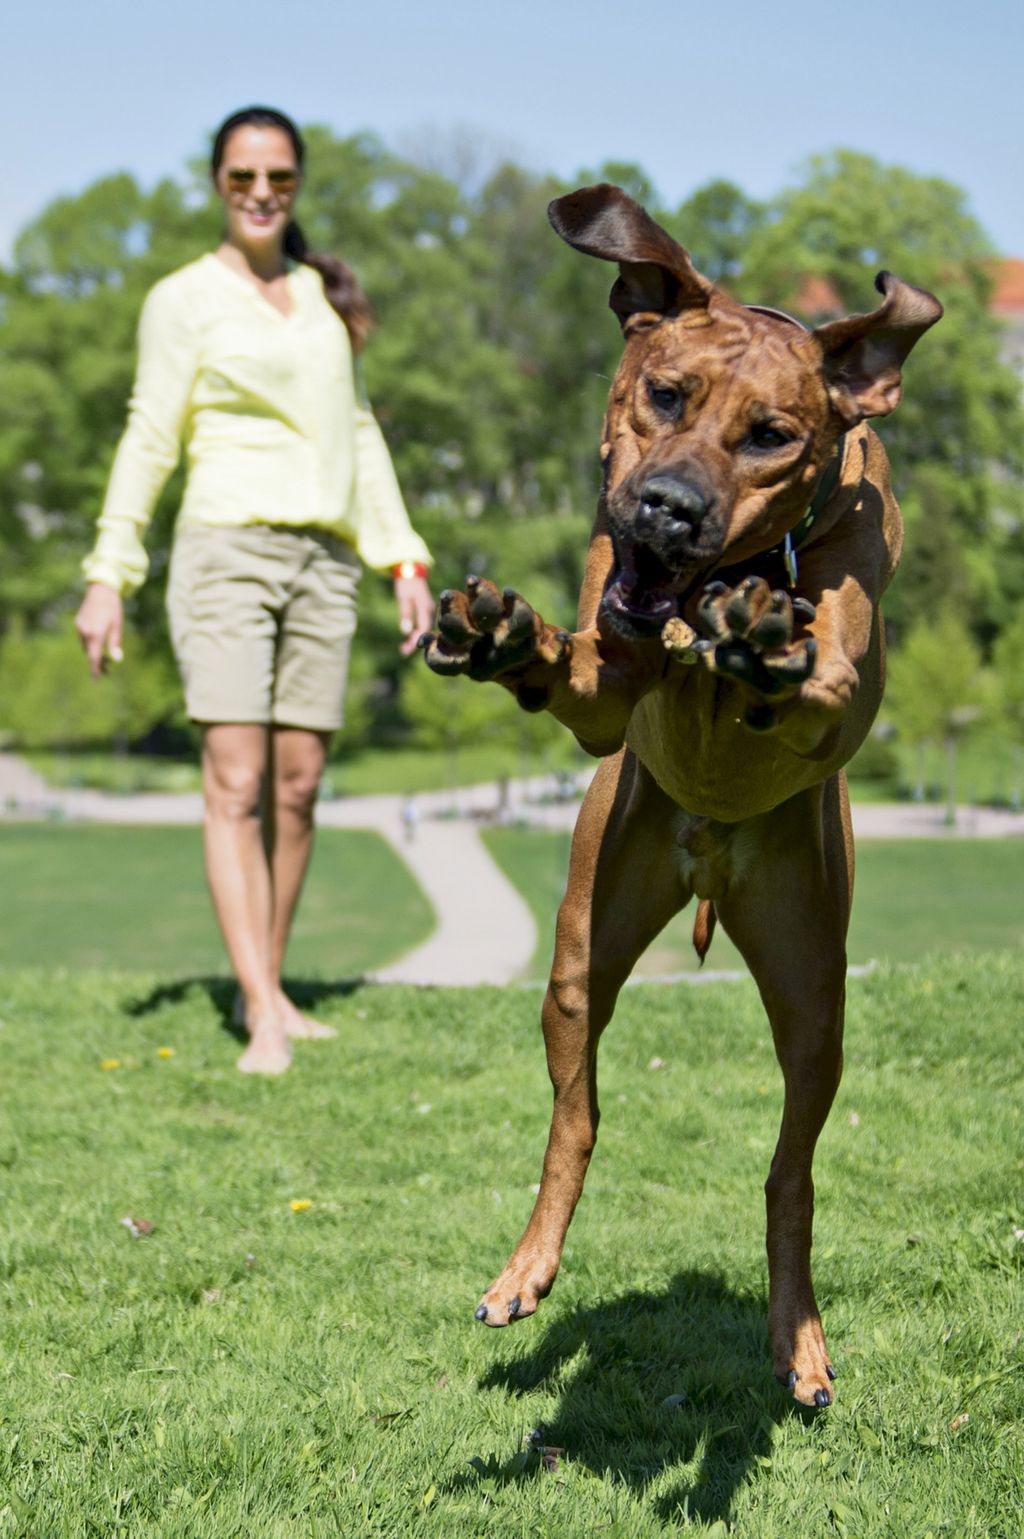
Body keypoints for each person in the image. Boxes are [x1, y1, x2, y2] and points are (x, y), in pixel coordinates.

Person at [75, 106, 433, 1076]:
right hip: (223, 549)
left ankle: (260, 985)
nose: (261, 193)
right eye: (242, 177)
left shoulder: (321, 298)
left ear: (297, 183)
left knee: (299, 785)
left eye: (277, 176)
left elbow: (355, 433)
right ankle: (266, 1012)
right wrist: (109, 573)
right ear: (217, 185)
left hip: (323, 559)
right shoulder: (181, 299)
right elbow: (151, 435)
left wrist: (401, 558)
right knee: (235, 781)